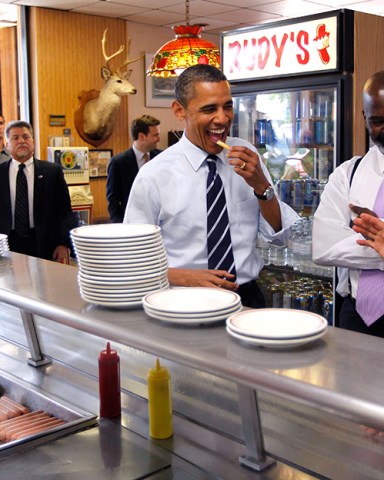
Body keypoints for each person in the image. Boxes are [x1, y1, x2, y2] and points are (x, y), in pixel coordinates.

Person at [124, 65, 298, 308]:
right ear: (179, 110)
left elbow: (281, 236)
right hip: (181, 299)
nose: (223, 118)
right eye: (209, 109)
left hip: (247, 297)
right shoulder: (153, 176)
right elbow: (132, 261)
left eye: (227, 106)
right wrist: (185, 277)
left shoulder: (247, 157)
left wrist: (261, 186)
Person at [313, 70, 384, 337]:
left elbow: (340, 246)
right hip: (355, 316)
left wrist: (362, 237)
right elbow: (323, 249)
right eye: (378, 120)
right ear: (365, 118)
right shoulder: (347, 174)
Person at [0, 120, 76, 262]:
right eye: (15, 138)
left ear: (33, 141)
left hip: (43, 242)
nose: (22, 141)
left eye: (26, 136)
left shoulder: (52, 172)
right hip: (8, 243)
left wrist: (63, 243)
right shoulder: (1, 172)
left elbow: (64, 211)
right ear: (7, 145)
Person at [106, 115, 161, 222]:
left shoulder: (162, 158)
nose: (159, 139)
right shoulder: (118, 162)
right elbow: (113, 200)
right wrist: (120, 227)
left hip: (159, 223)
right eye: (155, 135)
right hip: (131, 224)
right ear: (141, 136)